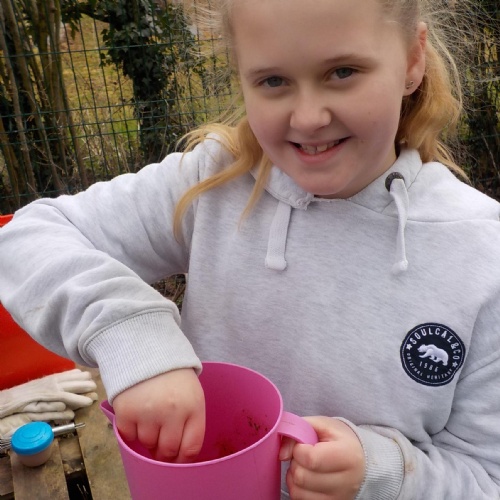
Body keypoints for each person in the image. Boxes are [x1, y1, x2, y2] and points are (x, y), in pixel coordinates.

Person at [0, 0, 499, 498]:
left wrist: (384, 473)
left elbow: (485, 477)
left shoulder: (481, 253)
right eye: (273, 81)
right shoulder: (215, 183)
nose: (308, 118)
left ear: (412, 59)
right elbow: (25, 237)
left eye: (343, 72)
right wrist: (131, 334)